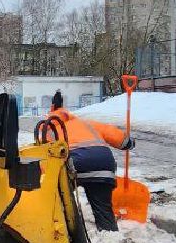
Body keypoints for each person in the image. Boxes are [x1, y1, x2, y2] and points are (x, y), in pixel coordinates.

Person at [44, 89, 134, 231]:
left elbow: (44, 160)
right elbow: (118, 138)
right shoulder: (86, 123)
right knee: (103, 209)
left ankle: (68, 231)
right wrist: (129, 143)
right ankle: (109, 237)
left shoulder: (48, 130)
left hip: (74, 165)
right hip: (103, 163)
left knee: (61, 203)